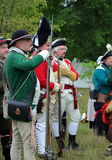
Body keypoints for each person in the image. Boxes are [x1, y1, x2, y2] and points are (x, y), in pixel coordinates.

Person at [4, 29, 50, 160]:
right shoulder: (14, 56)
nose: (31, 42)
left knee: (17, 143)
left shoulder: (16, 56)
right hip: (23, 105)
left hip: (17, 103)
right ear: (18, 43)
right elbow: (30, 65)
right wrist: (44, 53)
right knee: (29, 143)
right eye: (27, 40)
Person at [32, 17, 62, 158]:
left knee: (45, 124)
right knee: (42, 124)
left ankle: (44, 149)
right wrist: (56, 86)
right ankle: (42, 150)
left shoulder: (46, 58)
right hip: (43, 96)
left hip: (47, 95)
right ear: (41, 46)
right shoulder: (40, 59)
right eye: (46, 45)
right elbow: (43, 81)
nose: (49, 47)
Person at [51, 38, 83, 150]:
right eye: (61, 49)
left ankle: (72, 142)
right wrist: (69, 74)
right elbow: (54, 76)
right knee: (56, 118)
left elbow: (75, 76)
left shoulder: (67, 62)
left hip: (70, 93)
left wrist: (67, 73)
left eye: (65, 49)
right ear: (55, 50)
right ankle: (60, 143)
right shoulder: (51, 61)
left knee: (76, 116)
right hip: (59, 92)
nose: (64, 51)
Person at [92, 44, 112, 136]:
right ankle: (98, 133)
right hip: (102, 94)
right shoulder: (100, 69)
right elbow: (105, 81)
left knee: (109, 114)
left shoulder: (111, 69)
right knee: (101, 113)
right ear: (104, 60)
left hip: (110, 95)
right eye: (109, 58)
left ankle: (107, 133)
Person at [0, 37, 11, 160]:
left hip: (6, 104)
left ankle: (7, 155)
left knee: (6, 131)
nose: (6, 50)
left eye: (7, 47)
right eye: (3, 48)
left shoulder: (8, 63)